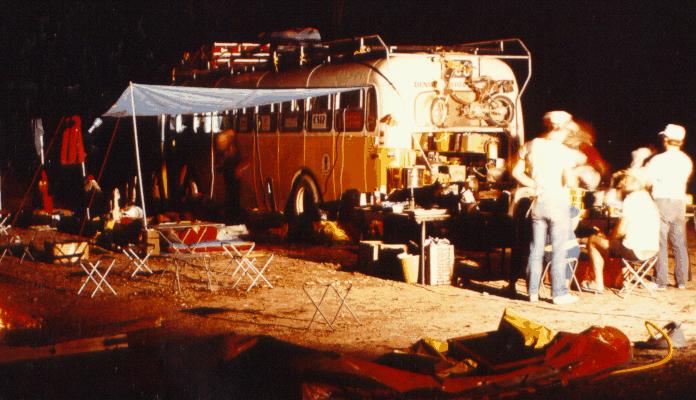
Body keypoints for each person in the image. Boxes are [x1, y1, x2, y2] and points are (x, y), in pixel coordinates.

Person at [512, 110, 587, 304]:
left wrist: (534, 184)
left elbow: (516, 172)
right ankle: (559, 293)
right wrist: (578, 173)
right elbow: (570, 182)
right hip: (557, 203)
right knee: (558, 250)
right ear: (562, 129)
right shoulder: (564, 152)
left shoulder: (531, 145)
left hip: (538, 203)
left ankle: (532, 292)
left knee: (536, 249)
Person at [582, 170, 660, 293]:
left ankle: (598, 283)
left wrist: (609, 238)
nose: (623, 182)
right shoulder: (649, 199)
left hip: (635, 251)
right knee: (622, 242)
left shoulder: (632, 199)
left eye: (626, 179)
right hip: (652, 250)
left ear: (635, 182)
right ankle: (623, 281)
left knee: (593, 240)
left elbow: (621, 231)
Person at [645, 124, 693, 290]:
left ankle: (661, 280)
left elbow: (648, 180)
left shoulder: (658, 160)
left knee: (661, 242)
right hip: (679, 202)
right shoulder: (686, 160)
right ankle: (681, 280)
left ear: (665, 140)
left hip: (661, 200)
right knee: (679, 242)